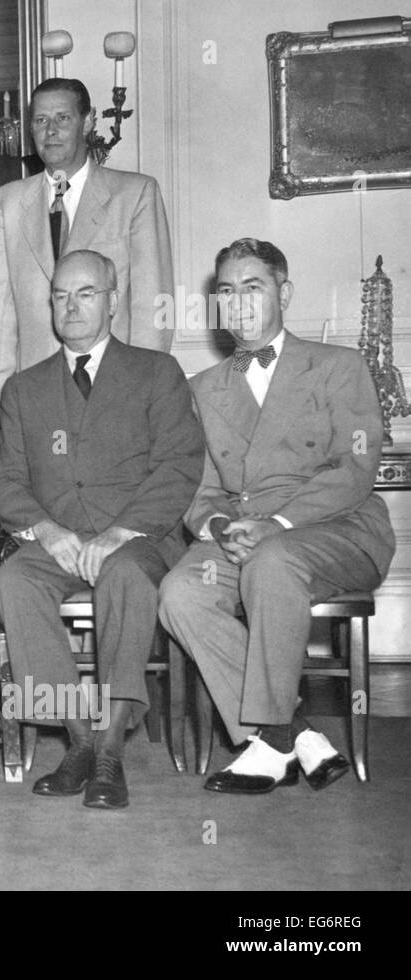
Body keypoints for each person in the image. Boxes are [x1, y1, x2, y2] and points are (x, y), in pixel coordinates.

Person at [159, 238, 394, 794]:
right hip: (240, 535)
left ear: (283, 293)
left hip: (336, 530)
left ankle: (268, 741)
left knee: (274, 561)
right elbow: (199, 488)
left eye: (253, 287)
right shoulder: (200, 390)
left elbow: (355, 467)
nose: (238, 302)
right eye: (226, 291)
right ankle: (292, 734)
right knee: (180, 593)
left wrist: (277, 525)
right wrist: (218, 526)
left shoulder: (340, 366)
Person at [0, 251, 204, 808]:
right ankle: (79, 740)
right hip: (58, 541)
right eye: (61, 295)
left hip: (137, 541)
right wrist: (47, 530)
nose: (72, 306)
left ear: (113, 297)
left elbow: (179, 464)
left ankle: (111, 750)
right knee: (14, 582)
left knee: (126, 579)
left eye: (86, 293)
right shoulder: (23, 388)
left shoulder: (156, 372)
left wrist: (121, 532)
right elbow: (6, 483)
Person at [0, 78, 174, 425]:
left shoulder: (135, 194)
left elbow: (151, 304)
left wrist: (144, 392)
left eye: (62, 118)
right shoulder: (4, 204)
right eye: (40, 120)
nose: (50, 130)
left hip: (116, 393)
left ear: (88, 122)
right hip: (37, 394)